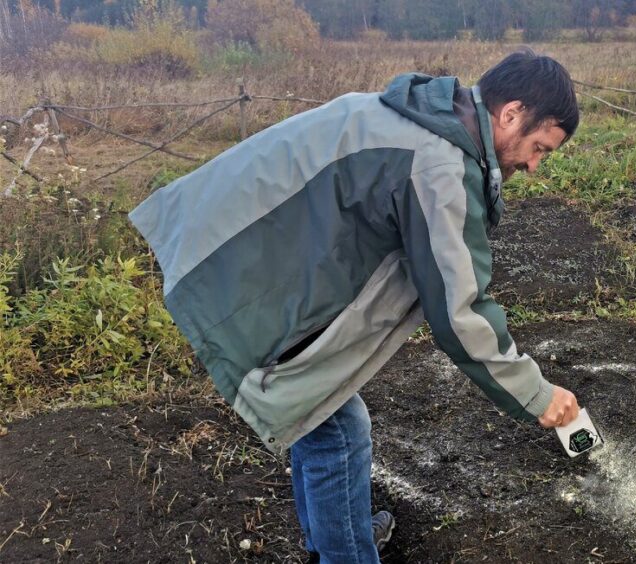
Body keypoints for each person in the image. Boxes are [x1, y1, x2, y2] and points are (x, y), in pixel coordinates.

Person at [128, 48, 582, 563]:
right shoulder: (437, 163)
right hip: (238, 267)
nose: (535, 165)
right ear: (510, 113)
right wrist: (536, 394)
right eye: (539, 147)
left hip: (239, 246)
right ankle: (345, 550)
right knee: (338, 428)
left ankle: (336, 534)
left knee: (316, 410)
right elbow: (459, 309)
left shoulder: (421, 112)